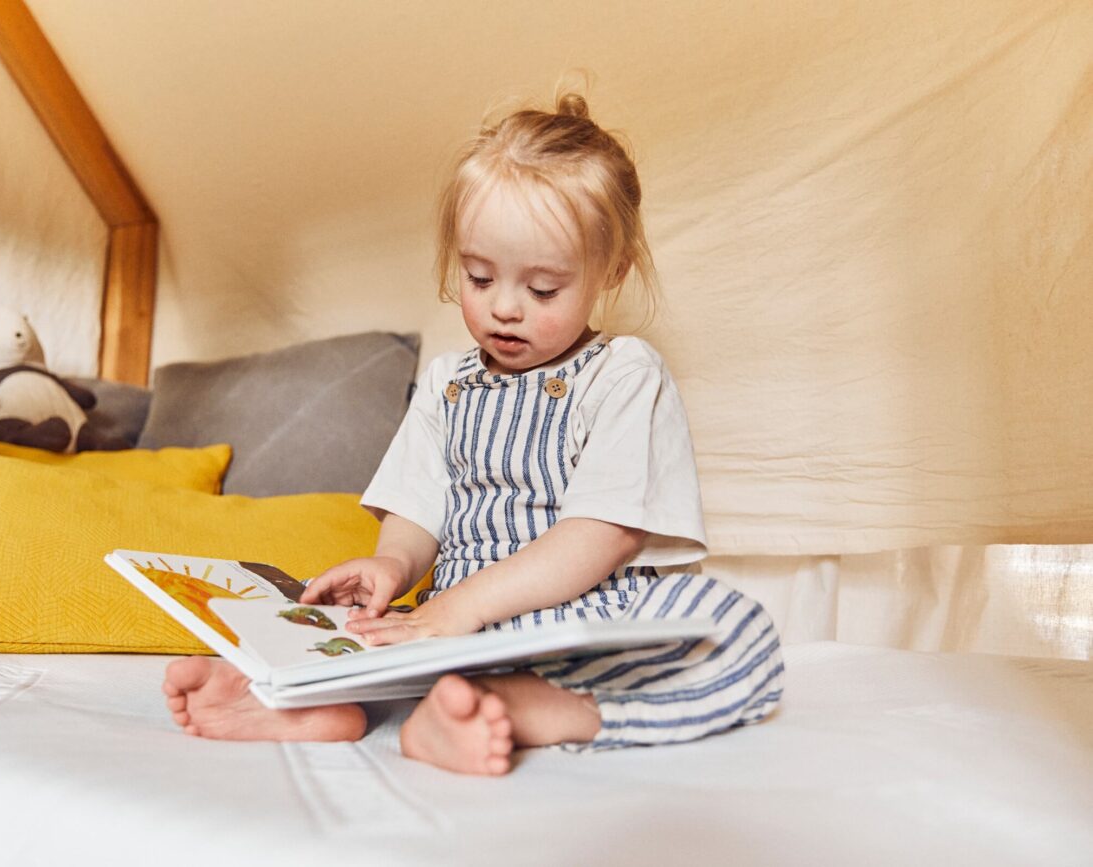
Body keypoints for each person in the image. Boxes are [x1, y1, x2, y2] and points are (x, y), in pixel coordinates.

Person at [163, 91, 784, 775]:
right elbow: (417, 509)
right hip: (450, 627)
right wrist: (392, 565)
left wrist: (466, 606)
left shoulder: (622, 373)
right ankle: (301, 698)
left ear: (612, 271)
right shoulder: (445, 382)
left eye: (543, 289)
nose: (505, 308)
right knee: (331, 618)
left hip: (576, 623)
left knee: (737, 629)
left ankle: (520, 706)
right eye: (479, 277)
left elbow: (603, 534)